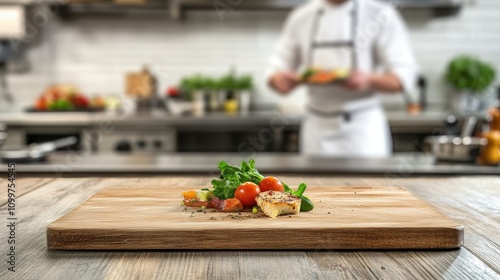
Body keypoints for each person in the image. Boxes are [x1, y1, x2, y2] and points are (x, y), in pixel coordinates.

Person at [268, 0, 418, 157]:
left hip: (363, 131)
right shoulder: (301, 16)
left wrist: (368, 80)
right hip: (316, 129)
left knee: (368, 182)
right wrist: (280, 79)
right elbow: (276, 70)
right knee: (317, 182)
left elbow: (403, 77)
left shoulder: (380, 14)